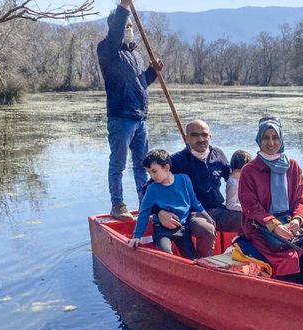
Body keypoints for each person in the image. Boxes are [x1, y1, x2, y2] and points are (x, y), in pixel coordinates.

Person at [97, 0, 163, 220]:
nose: (128, 31)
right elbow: (116, 34)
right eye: (125, 27)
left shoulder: (134, 55)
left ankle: (145, 202)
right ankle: (118, 205)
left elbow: (140, 82)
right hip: (120, 117)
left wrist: (153, 71)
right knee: (118, 162)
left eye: (130, 28)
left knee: (142, 164)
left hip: (139, 117)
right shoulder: (107, 49)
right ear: (114, 27)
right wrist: (124, 8)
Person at [238, 117, 303, 287]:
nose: (271, 143)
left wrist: (297, 220)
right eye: (265, 138)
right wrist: (274, 225)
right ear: (258, 140)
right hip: (261, 227)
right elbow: (250, 205)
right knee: (288, 261)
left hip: (291, 223)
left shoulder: (293, 166)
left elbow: (301, 199)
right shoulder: (249, 170)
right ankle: (289, 304)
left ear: (281, 139)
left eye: (275, 137)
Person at [156, 119, 242, 257]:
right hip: (193, 214)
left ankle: (248, 260)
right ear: (186, 138)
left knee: (249, 221)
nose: (201, 139)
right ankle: (204, 267)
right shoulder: (176, 161)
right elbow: (149, 189)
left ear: (210, 136)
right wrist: (160, 212)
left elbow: (233, 179)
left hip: (219, 210)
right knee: (207, 230)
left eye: (204, 135)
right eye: (195, 135)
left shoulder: (218, 154)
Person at [128, 150, 212, 259]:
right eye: (149, 172)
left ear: (166, 168)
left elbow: (194, 201)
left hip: (182, 228)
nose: (152, 176)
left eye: (154, 171)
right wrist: (137, 236)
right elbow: (144, 212)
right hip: (162, 230)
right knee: (166, 253)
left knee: (192, 259)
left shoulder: (184, 180)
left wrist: (207, 216)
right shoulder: (152, 189)